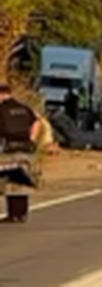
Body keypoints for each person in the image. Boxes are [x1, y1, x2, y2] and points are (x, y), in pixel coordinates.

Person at [0, 82, 43, 223]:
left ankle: (13, 214)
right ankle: (21, 213)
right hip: (26, 147)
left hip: (8, 147)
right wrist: (33, 140)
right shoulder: (24, 108)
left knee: (10, 180)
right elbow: (37, 122)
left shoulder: (1, 109)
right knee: (22, 179)